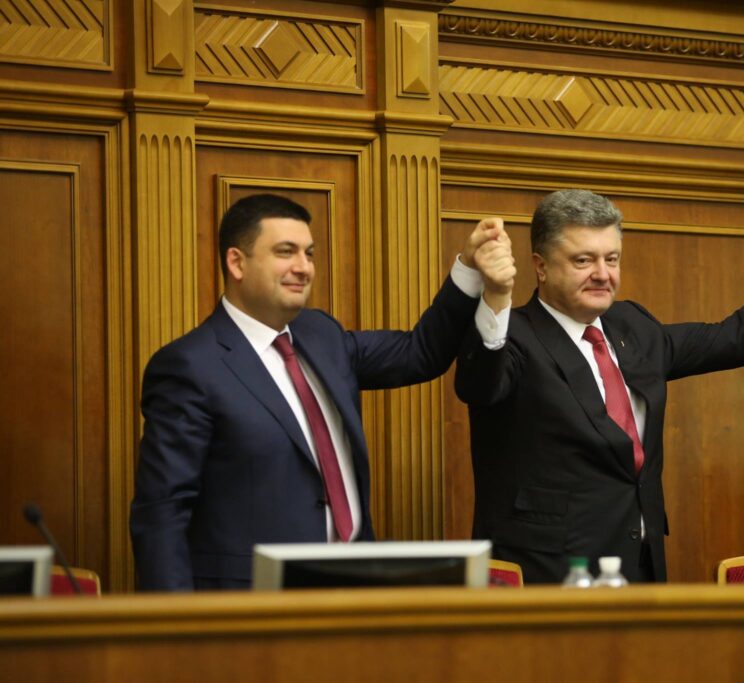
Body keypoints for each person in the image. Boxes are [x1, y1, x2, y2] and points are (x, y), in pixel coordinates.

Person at [455, 189, 744, 584]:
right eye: (583, 260)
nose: (602, 274)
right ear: (540, 266)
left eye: (612, 259)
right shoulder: (508, 335)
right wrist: (496, 297)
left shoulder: (632, 326)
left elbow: (734, 337)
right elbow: (479, 385)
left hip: (638, 567)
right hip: (547, 575)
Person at [130, 193, 515, 591]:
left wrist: (470, 267)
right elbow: (162, 512)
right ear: (237, 262)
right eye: (285, 252)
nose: (303, 267)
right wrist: (176, 622)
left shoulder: (321, 335)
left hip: (352, 590)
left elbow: (419, 353)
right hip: (251, 601)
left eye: (309, 254)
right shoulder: (190, 366)